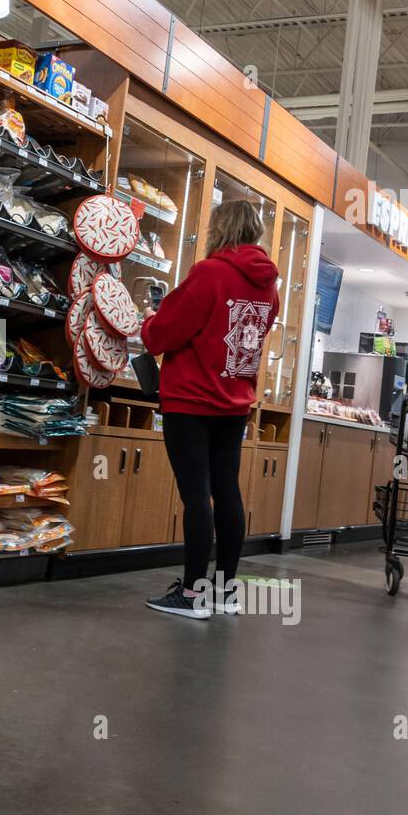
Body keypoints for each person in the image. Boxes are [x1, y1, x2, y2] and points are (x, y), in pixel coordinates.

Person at [139, 199, 280, 619]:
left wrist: (150, 319)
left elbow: (164, 334)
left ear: (220, 228)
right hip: (235, 404)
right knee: (227, 492)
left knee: (196, 496)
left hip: (192, 399)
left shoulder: (210, 273)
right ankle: (223, 590)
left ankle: (192, 593)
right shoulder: (269, 285)